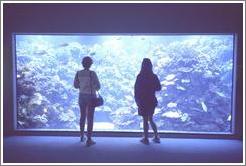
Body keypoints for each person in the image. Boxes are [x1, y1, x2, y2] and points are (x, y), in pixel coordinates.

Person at [74, 56, 100, 146]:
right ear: (90, 64)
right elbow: (98, 86)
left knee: (82, 116)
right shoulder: (92, 73)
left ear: (82, 64)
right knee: (90, 117)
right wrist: (92, 86)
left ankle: (81, 136)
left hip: (81, 96)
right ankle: (89, 139)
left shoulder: (78, 73)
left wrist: (82, 86)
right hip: (91, 96)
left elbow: (75, 86)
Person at [134, 58, 161, 145]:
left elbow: (136, 89)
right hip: (151, 100)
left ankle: (146, 138)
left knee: (145, 119)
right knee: (151, 119)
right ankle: (156, 137)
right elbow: (159, 88)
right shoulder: (154, 76)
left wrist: (137, 100)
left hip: (142, 100)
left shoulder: (140, 76)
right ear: (151, 66)